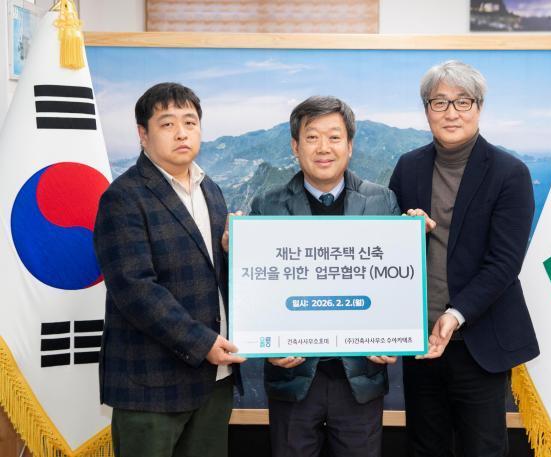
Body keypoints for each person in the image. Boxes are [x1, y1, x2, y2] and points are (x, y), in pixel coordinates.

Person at [389, 60, 540, 456]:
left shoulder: (509, 172)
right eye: (439, 102)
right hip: (420, 340)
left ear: (479, 107)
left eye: (462, 101)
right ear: (426, 109)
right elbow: (386, 249)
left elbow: (504, 262)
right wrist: (406, 229)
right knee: (424, 446)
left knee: (483, 448)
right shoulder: (408, 167)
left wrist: (455, 315)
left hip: (478, 340)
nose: (451, 112)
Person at [93, 82, 245, 457]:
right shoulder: (123, 197)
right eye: (167, 123)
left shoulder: (211, 190)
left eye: (190, 122)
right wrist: (202, 343)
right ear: (143, 134)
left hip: (214, 379)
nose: (181, 133)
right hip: (152, 384)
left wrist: (234, 252)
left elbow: (209, 272)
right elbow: (135, 289)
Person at [250, 96, 399, 457]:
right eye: (312, 137)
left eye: (334, 137)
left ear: (350, 145)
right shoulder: (267, 205)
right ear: (295, 146)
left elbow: (396, 284)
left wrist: (394, 334)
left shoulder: (383, 202)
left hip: (360, 376)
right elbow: (254, 290)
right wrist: (265, 345)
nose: (323, 148)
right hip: (293, 375)